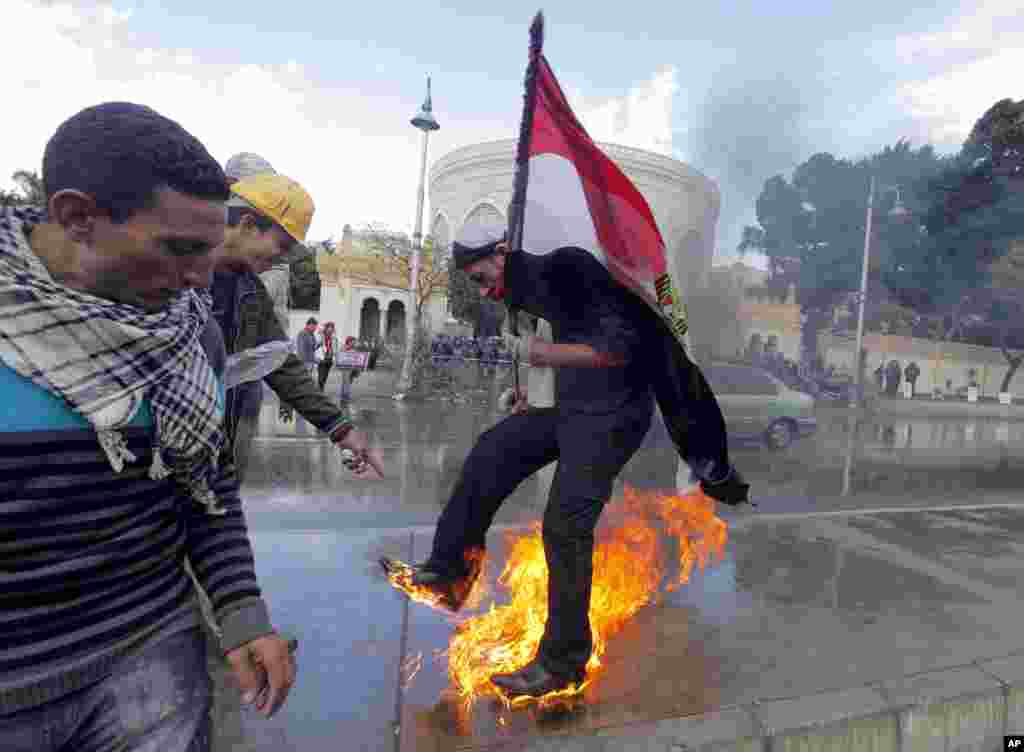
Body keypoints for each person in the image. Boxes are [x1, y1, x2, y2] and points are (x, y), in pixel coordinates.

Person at [0, 102, 294, 751]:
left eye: (207, 250)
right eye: (179, 249)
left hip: (150, 665)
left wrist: (242, 612)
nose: (198, 277)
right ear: (78, 217)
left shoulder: (194, 338)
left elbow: (205, 491)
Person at [403, 219, 747, 699]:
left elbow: (619, 349)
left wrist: (542, 352)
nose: (482, 292)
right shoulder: (529, 296)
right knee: (492, 453)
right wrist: (528, 392)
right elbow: (564, 349)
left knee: (565, 524)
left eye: (481, 278)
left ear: (502, 252)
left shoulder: (570, 268)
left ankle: (563, 662)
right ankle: (450, 573)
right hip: (573, 411)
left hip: (614, 418)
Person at [210, 176, 384, 483]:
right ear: (248, 225)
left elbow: (280, 362)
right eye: (283, 244)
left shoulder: (249, 290)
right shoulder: (173, 273)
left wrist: (341, 429)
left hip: (215, 451)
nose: (283, 257)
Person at [316, 322, 339, 391]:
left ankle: (321, 388)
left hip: (329, 358)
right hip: (322, 358)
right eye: (329, 328)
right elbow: (316, 344)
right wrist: (320, 334)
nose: (330, 330)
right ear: (326, 329)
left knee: (325, 376)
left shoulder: (334, 338)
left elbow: (335, 348)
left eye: (332, 328)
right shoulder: (321, 336)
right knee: (321, 376)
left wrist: (335, 357)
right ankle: (320, 389)